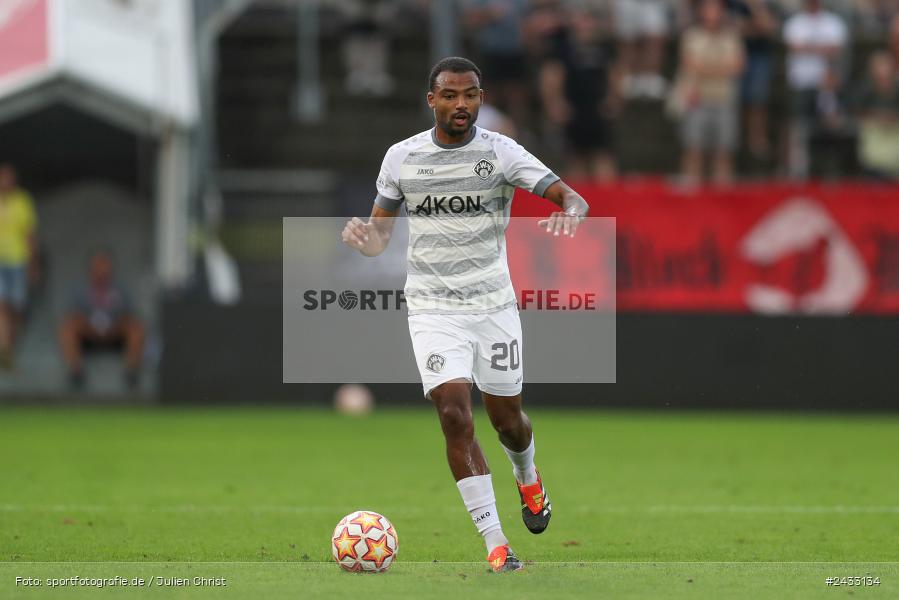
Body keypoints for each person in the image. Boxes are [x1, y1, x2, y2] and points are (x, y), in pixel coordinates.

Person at [340, 57, 589, 572]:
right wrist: (366, 242)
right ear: (431, 100)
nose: (461, 105)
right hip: (432, 308)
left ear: (481, 97)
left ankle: (528, 476)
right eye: (450, 95)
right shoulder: (401, 157)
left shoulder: (500, 151)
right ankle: (496, 544)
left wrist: (572, 209)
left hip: (493, 306)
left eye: (470, 95)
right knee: (454, 414)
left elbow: (568, 194)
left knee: (508, 423)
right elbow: (380, 235)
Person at [539, 7, 620, 181]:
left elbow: (614, 73)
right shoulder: (562, 47)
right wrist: (555, 103)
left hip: (598, 107)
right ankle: (580, 203)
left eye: (588, 20)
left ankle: (610, 201)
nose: (585, 25)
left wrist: (613, 99)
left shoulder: (604, 47)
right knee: (575, 157)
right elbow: (551, 75)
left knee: (603, 155)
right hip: (573, 107)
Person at [678, 0, 745, 185]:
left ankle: (722, 193)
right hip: (698, 98)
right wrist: (722, 67)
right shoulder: (692, 36)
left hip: (724, 98)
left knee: (724, 150)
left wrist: (705, 67)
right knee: (693, 148)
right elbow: (690, 64)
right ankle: (692, 192)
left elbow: (738, 67)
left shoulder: (731, 37)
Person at [58, 249, 145, 389]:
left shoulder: (120, 289)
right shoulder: (80, 289)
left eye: (105, 265)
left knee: (136, 328)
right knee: (68, 327)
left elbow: (130, 315)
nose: (102, 269)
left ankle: (131, 372)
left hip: (114, 334)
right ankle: (76, 372)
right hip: (88, 335)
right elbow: (71, 315)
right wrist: (90, 327)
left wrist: (114, 327)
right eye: (98, 265)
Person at [782, 0, 848, 179]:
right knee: (799, 129)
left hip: (827, 85)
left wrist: (807, 48)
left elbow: (836, 49)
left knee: (828, 128)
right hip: (801, 84)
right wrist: (822, 48)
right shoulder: (795, 22)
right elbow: (794, 47)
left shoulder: (833, 22)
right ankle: (798, 172)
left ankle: (828, 171)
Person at [0, 164, 38, 369]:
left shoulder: (22, 201)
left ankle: (10, 346)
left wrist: (32, 263)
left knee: (16, 307)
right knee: (2, 305)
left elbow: (29, 235)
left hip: (18, 261)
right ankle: (5, 349)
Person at [854, 51, 899, 179]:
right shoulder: (865, 91)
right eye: (878, 69)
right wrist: (876, 117)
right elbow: (857, 112)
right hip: (873, 148)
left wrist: (891, 118)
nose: (882, 73)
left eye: (885, 68)